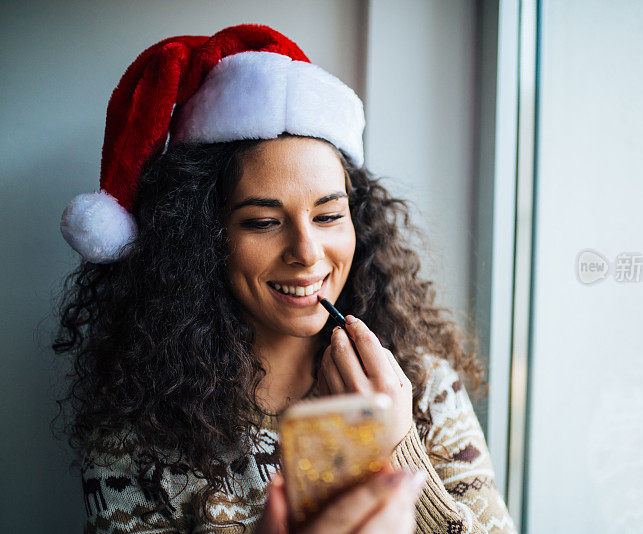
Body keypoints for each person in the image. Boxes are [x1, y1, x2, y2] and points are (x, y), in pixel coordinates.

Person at [54, 24, 516, 533]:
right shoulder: (138, 429)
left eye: (328, 216)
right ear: (200, 238)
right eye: (263, 222)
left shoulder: (424, 384)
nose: (306, 252)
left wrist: (399, 446)